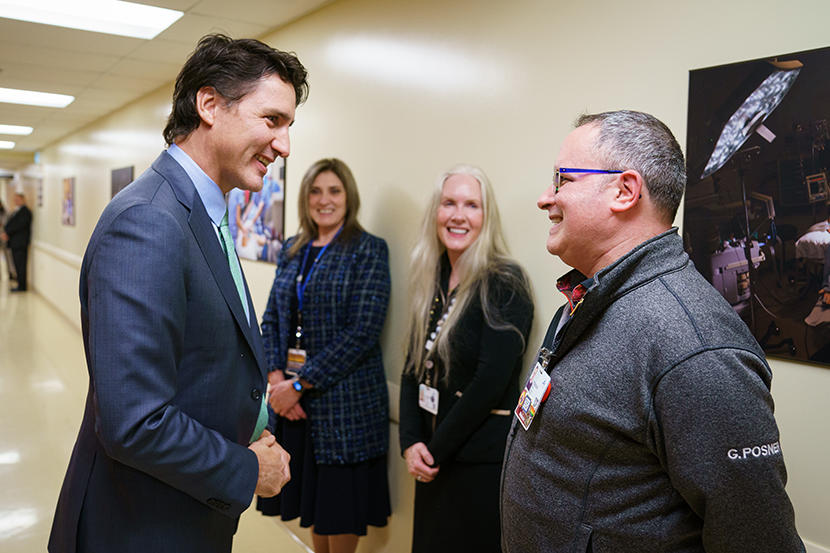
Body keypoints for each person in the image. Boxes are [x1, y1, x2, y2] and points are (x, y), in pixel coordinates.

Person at [49, 34, 309, 553]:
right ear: (209, 104)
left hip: (183, 510)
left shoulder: (201, 212)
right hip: (140, 525)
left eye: (288, 126)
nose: (284, 145)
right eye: (272, 120)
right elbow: (134, 421)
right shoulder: (148, 221)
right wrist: (247, 468)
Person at [500, 110, 804, 553]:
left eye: (562, 179)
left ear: (624, 191)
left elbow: (758, 537)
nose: (546, 198)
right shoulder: (592, 295)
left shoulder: (694, 346)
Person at [257, 158, 391, 553]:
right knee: (314, 508)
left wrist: (300, 384)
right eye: (315, 191)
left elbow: (363, 331)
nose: (324, 200)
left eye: (334, 191)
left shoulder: (368, 250)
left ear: (349, 197)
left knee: (339, 511)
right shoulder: (292, 249)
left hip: (342, 407)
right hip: (293, 405)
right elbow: (271, 319)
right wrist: (277, 379)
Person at [399, 164, 534, 553]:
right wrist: (411, 442)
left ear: (486, 218)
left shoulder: (504, 281)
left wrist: (433, 451)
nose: (458, 215)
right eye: (449, 203)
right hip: (430, 457)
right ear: (435, 213)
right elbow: (411, 366)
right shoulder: (433, 275)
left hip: (475, 463)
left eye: (472, 205)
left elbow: (490, 383)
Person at [2, 193, 32, 292]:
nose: (15, 201)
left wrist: (7, 233)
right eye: (15, 199)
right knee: (17, 265)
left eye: (18, 199)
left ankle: (22, 286)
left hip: (20, 243)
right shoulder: (16, 211)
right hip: (14, 243)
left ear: (23, 200)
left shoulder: (25, 212)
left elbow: (18, 226)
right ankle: (19, 284)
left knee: (21, 265)